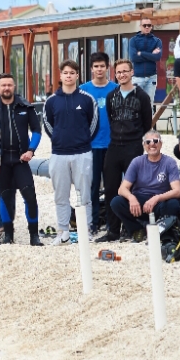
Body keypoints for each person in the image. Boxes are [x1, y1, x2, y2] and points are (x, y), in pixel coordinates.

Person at [0, 73, 43, 246]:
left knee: (30, 196)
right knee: (5, 197)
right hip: (1, 162)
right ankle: (8, 235)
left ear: (14, 86)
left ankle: (34, 236)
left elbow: (37, 131)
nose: (6, 88)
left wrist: (31, 150)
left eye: (9, 85)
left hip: (20, 160)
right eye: (3, 85)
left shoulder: (26, 107)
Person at [43, 61, 99, 245]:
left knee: (84, 194)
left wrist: (82, 140)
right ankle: (63, 232)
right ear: (60, 76)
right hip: (58, 154)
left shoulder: (87, 99)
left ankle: (86, 230)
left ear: (77, 76)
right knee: (61, 195)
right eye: (65, 73)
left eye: (72, 73)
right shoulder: (51, 101)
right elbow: (48, 125)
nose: (68, 76)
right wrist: (59, 139)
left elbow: (93, 124)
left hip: (82, 153)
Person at [103, 59, 154, 239]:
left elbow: (147, 123)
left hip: (133, 146)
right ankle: (113, 230)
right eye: (118, 72)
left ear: (132, 72)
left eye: (125, 71)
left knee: (133, 188)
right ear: (115, 74)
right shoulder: (111, 96)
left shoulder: (142, 96)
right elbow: (111, 118)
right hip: (114, 146)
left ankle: (132, 227)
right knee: (111, 188)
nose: (122, 75)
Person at [108, 130, 180, 239]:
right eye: (148, 142)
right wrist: (132, 198)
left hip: (159, 202)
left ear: (161, 144)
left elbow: (177, 191)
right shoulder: (137, 162)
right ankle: (137, 229)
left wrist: (157, 198)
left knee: (173, 204)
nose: (152, 144)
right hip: (139, 202)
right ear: (144, 145)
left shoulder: (169, 162)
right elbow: (122, 189)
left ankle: (162, 230)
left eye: (155, 141)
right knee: (116, 202)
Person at [80, 51, 118, 233]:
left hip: (112, 144)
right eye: (96, 66)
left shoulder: (116, 88)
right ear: (91, 69)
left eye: (102, 66)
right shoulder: (83, 89)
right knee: (93, 185)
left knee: (112, 185)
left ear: (108, 67)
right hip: (91, 145)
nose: (99, 69)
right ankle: (94, 222)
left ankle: (112, 223)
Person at [128, 17, 163, 100]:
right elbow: (133, 57)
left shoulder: (157, 41)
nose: (147, 27)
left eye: (149, 25)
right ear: (140, 26)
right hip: (137, 77)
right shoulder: (133, 40)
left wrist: (141, 53)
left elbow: (157, 57)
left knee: (149, 104)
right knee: (136, 104)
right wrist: (151, 55)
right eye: (144, 25)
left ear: (151, 26)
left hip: (151, 77)